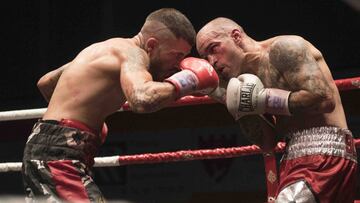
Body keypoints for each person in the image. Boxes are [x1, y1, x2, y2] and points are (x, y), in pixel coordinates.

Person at [22, 8, 219, 202]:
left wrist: (87, 120)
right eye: (176, 55)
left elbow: (47, 82)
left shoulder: (102, 49)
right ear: (151, 45)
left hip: (52, 149)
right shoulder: (133, 54)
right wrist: (189, 80)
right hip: (59, 156)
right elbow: (142, 99)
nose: (179, 64)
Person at [196, 17, 357, 203]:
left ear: (236, 36)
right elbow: (267, 143)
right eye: (205, 57)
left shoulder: (285, 48)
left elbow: (324, 99)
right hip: (293, 157)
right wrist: (240, 108)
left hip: (325, 152)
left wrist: (264, 100)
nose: (212, 61)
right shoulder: (247, 81)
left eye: (213, 49)